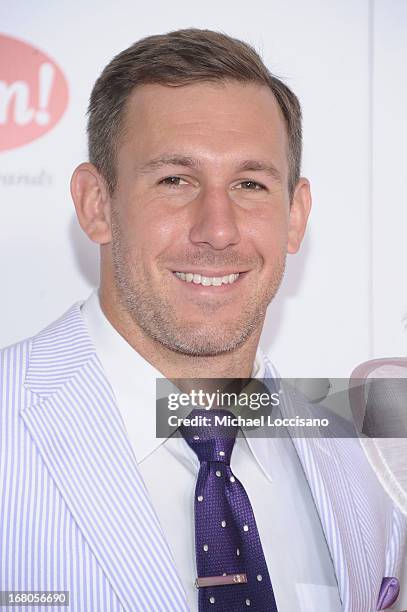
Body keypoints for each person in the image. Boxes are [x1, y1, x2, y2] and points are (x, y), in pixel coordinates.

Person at [0, 28, 405, 612]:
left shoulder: (370, 463)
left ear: (295, 217)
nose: (217, 229)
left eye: (249, 184)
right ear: (96, 204)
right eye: (175, 180)